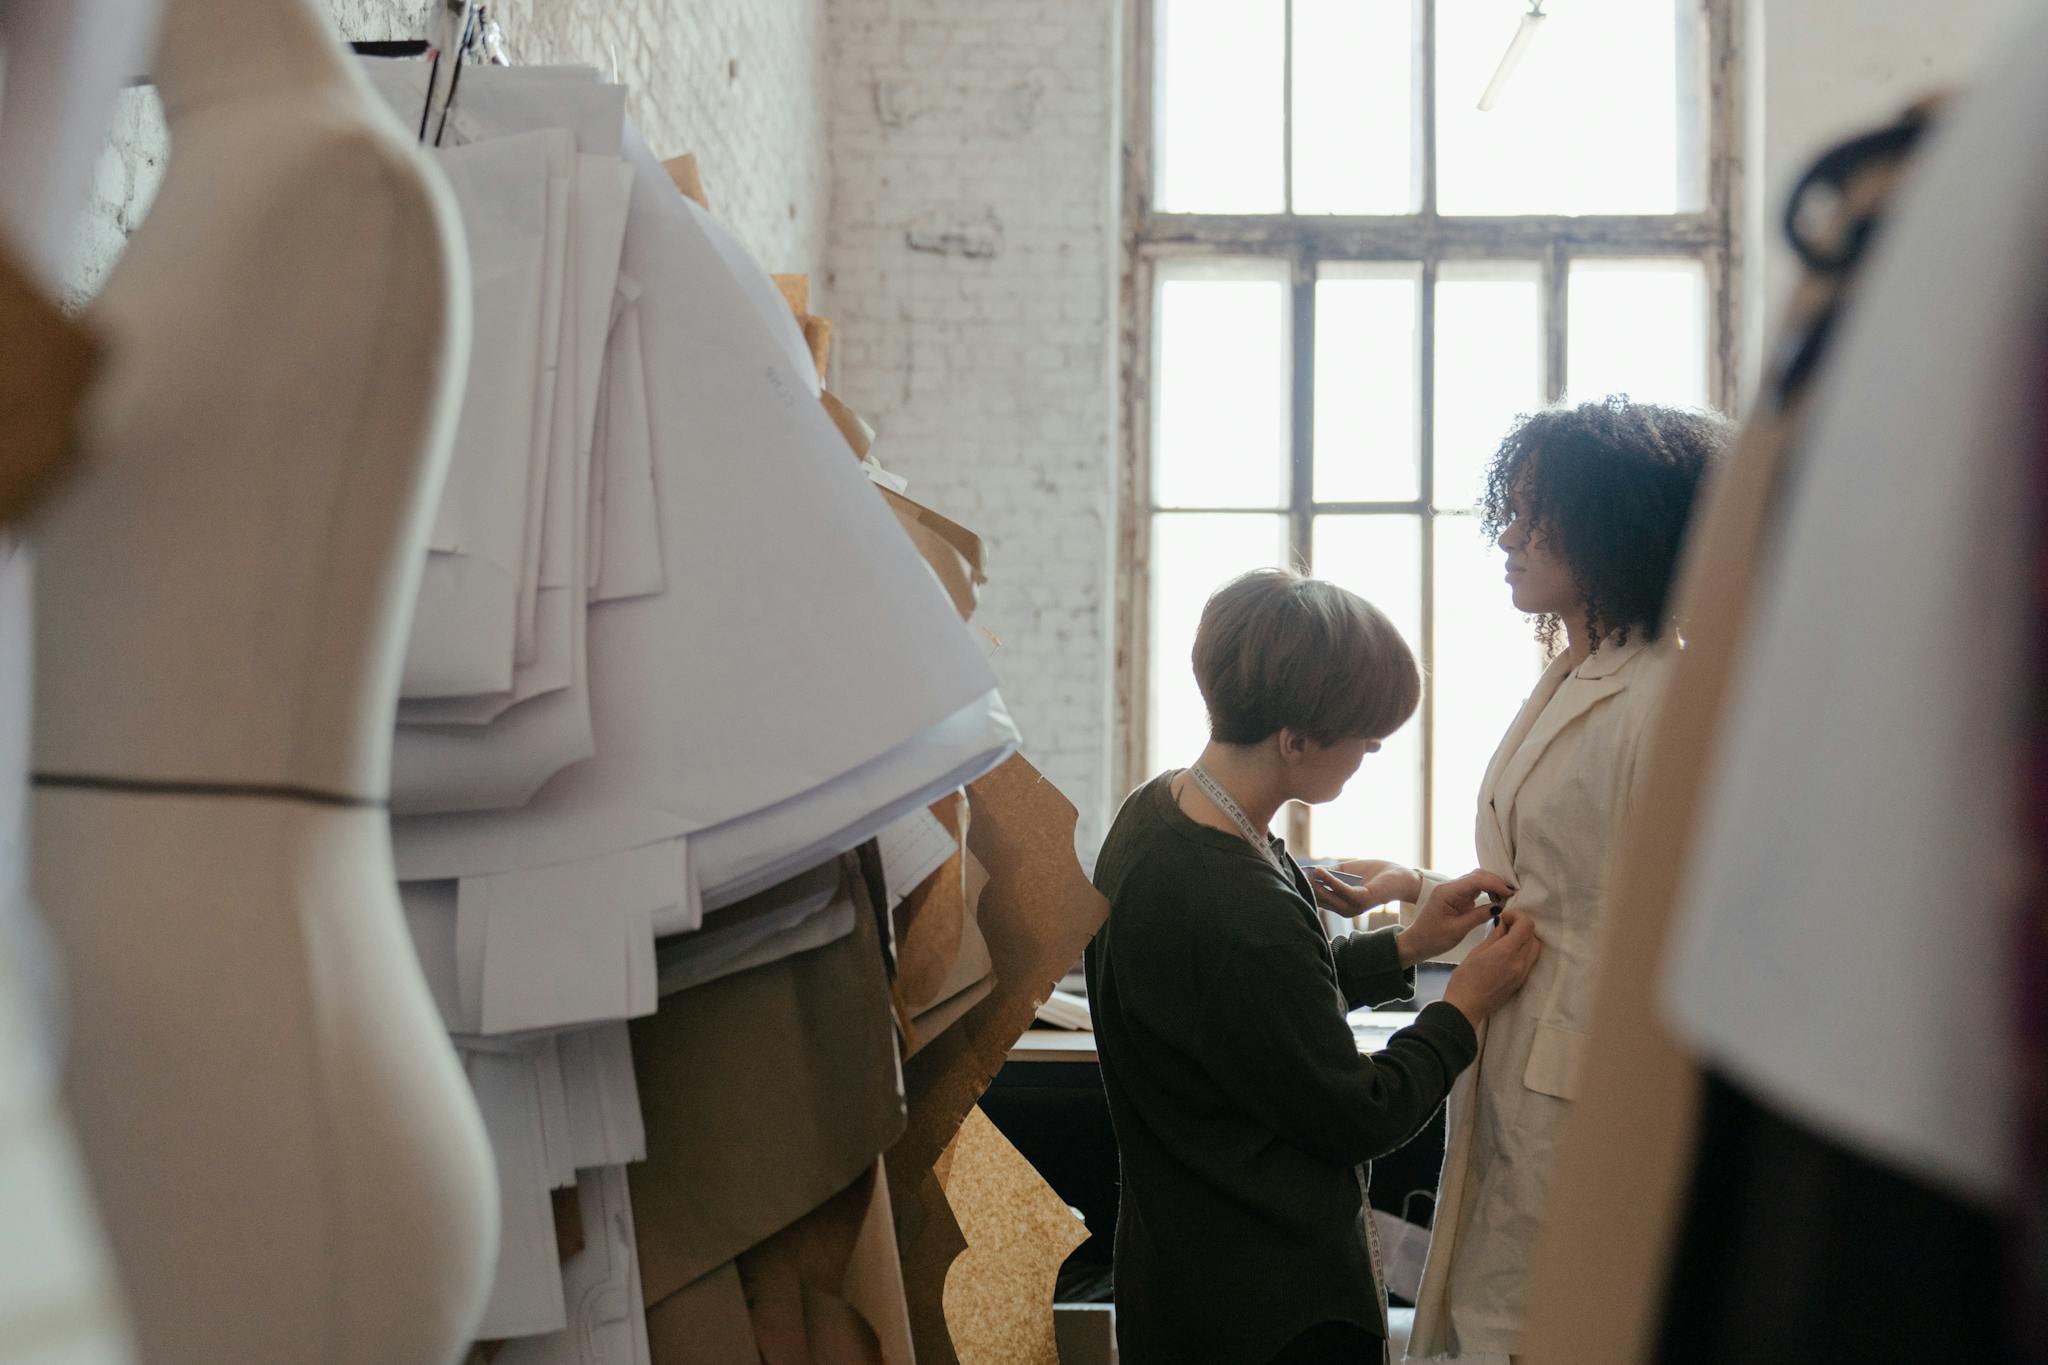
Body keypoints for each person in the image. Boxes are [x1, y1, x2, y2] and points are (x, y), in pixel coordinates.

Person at [1314, 396, 1731, 1364]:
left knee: (1550, 1321)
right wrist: (1415, 889)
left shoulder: (1659, 700)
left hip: (1589, 1073)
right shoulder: (1571, 674)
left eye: (1533, 511)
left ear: (1611, 522)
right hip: (1522, 1050)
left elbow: (1654, 916)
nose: (1505, 534)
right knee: (1494, 1311)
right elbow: (1552, 889)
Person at [1087, 567, 1542, 1365]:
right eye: (1363, 741)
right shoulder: (1237, 906)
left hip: (1181, 1279)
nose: (1368, 753)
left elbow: (1249, 1009)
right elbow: (1357, 1113)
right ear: (1294, 740)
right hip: (1274, 1309)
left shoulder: (1157, 813)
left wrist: (1403, 946)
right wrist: (1460, 1009)